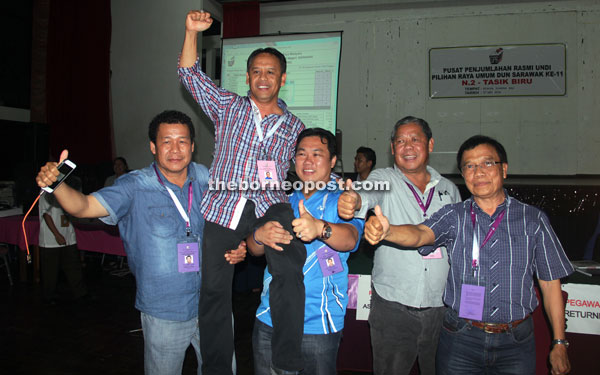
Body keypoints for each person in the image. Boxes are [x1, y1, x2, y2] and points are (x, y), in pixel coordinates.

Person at [35, 110, 247, 375]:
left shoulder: (209, 179)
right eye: (166, 141)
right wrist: (58, 186)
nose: (175, 149)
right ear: (153, 147)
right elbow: (84, 206)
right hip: (164, 310)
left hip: (213, 305)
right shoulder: (134, 186)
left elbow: (232, 222)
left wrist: (237, 245)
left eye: (182, 141)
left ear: (193, 146)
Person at [364, 135, 574, 375]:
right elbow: (421, 234)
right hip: (461, 339)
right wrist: (388, 230)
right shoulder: (454, 216)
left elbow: (550, 284)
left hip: (515, 342)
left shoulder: (533, 220)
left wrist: (559, 342)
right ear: (463, 174)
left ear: (504, 169)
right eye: (470, 166)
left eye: (487, 163)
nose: (479, 172)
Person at [178, 10, 307, 375]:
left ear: (281, 78)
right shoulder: (228, 107)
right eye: (256, 71)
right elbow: (190, 75)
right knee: (215, 292)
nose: (262, 78)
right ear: (247, 76)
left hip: (270, 205)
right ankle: (217, 368)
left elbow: (305, 169)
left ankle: (286, 359)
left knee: (288, 266)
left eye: (270, 72)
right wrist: (191, 32)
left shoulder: (295, 126)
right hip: (223, 207)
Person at [338, 116, 461, 375]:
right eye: (400, 141)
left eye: (415, 140)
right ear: (392, 149)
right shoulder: (383, 178)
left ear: (430, 144)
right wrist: (354, 200)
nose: (407, 146)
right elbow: (366, 191)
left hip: (440, 307)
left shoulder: (449, 190)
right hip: (393, 308)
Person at [248, 128, 364, 375]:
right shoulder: (281, 199)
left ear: (332, 161)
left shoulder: (342, 200)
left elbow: (351, 239)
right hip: (271, 317)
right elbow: (254, 249)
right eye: (301, 154)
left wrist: (320, 228)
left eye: (317, 154)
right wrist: (259, 235)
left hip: (318, 323)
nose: (308, 161)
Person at [38, 177, 88, 304]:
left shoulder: (68, 191)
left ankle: (80, 293)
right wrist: (57, 234)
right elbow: (46, 214)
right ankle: (49, 296)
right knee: (50, 270)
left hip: (69, 235)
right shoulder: (46, 190)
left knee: (74, 266)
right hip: (51, 239)